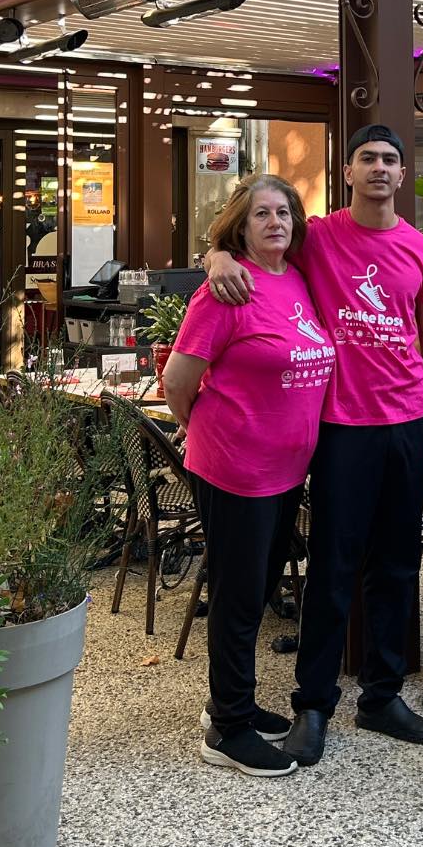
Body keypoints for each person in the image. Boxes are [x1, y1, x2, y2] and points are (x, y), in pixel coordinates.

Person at [203, 125, 423, 767]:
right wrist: (217, 255)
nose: (379, 168)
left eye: (390, 161)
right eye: (367, 158)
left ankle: (382, 695)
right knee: (332, 571)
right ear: (347, 172)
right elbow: (260, 238)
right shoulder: (319, 235)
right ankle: (312, 705)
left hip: (408, 422)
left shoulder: (422, 249)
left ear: (403, 176)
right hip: (341, 428)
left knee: (397, 566)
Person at [165, 174, 334, 777]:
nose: (275, 223)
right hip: (237, 469)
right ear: (240, 224)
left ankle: (228, 702)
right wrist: (219, 429)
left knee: (257, 591)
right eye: (261, 214)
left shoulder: (297, 278)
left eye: (284, 212)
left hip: (286, 472)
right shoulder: (224, 291)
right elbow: (178, 385)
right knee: (238, 598)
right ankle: (228, 729)